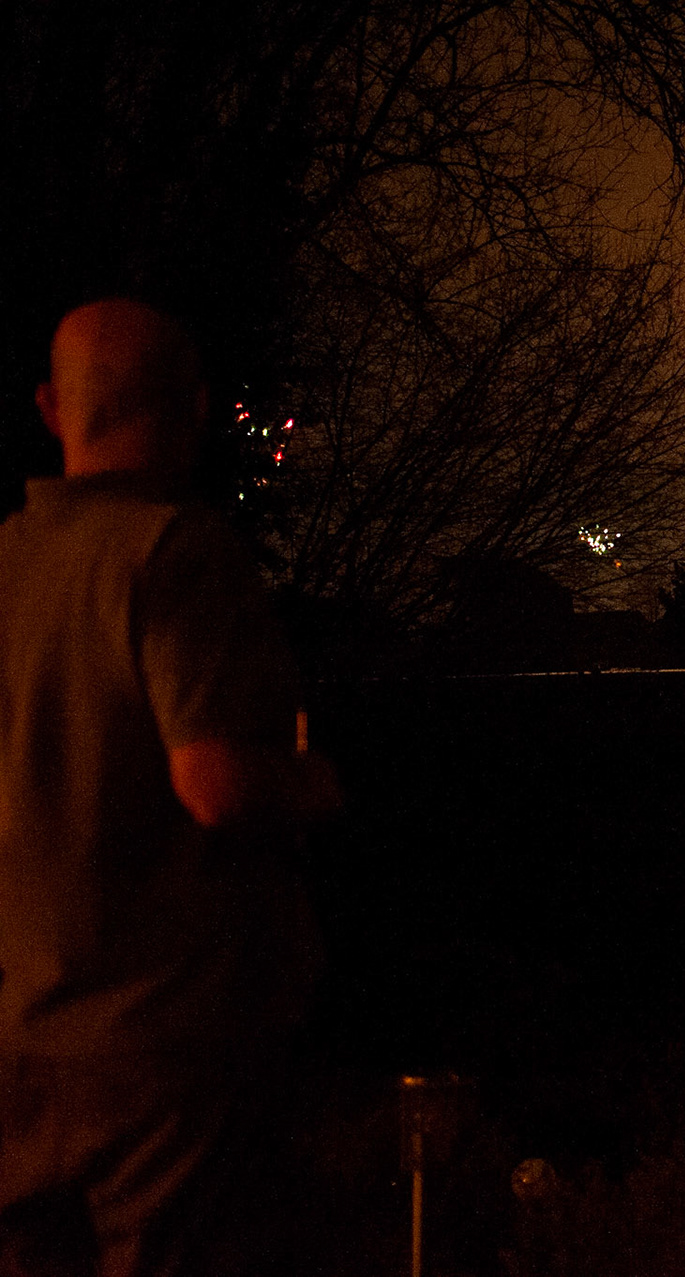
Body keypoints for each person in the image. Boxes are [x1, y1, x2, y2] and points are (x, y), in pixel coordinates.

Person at [0, 299, 340, 1276]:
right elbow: (215, 782)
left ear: (51, 409)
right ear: (194, 407)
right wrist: (312, 782)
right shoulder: (173, 553)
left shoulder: (9, 562)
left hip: (27, 1039)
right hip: (165, 1057)